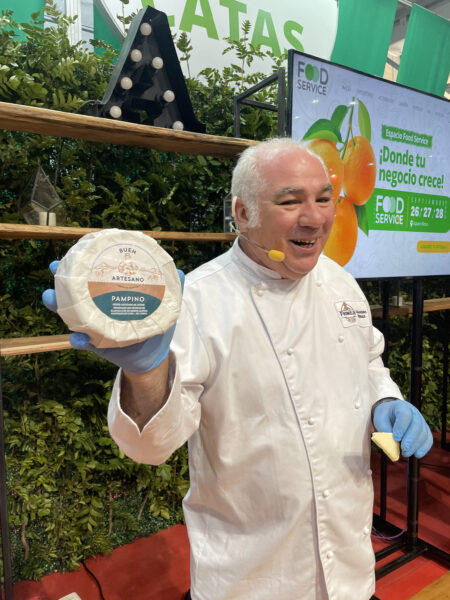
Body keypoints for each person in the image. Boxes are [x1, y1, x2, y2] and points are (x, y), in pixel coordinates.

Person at [43, 138, 433, 600]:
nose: (314, 217)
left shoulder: (340, 283)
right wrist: (144, 372)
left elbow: (367, 360)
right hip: (250, 578)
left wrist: (385, 399)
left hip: (351, 568)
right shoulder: (199, 300)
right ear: (243, 214)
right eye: (290, 201)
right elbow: (150, 447)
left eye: (324, 198)